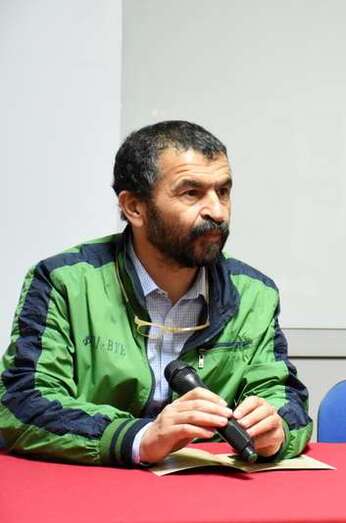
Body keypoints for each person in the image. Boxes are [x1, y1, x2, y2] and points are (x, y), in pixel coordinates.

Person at [0, 121, 312, 466]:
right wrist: (139, 438)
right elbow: (21, 402)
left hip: (211, 489)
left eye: (223, 191)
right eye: (191, 193)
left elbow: (285, 399)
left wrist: (277, 428)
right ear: (135, 207)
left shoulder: (254, 293)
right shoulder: (64, 282)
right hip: (92, 485)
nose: (218, 211)